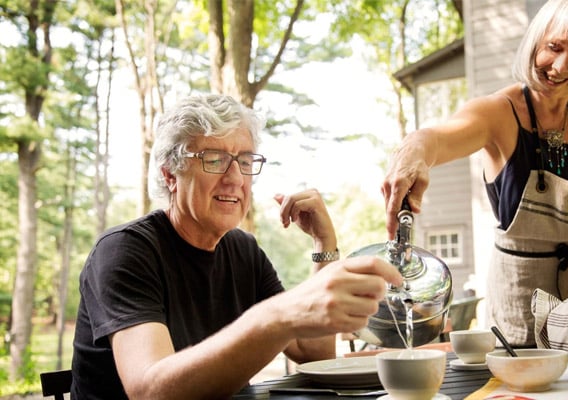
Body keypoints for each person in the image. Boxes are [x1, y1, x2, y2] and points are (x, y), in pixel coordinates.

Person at [71, 94, 403, 399]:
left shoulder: (243, 251)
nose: (234, 178)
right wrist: (275, 316)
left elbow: (312, 353)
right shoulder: (125, 251)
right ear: (170, 175)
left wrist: (324, 244)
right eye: (213, 159)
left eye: (244, 161)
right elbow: (151, 391)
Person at [382, 0, 568, 347]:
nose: (560, 66)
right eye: (554, 47)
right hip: (523, 301)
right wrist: (413, 150)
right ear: (536, 41)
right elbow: (438, 137)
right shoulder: (497, 112)